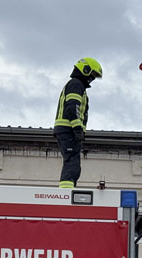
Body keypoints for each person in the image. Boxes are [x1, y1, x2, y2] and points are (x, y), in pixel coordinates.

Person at [54, 57, 102, 189]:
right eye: (92, 75)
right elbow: (72, 106)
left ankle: (68, 189)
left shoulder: (77, 85)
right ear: (85, 70)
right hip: (68, 129)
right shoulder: (76, 84)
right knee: (72, 163)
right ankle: (66, 193)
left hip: (67, 130)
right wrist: (77, 128)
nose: (92, 79)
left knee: (73, 162)